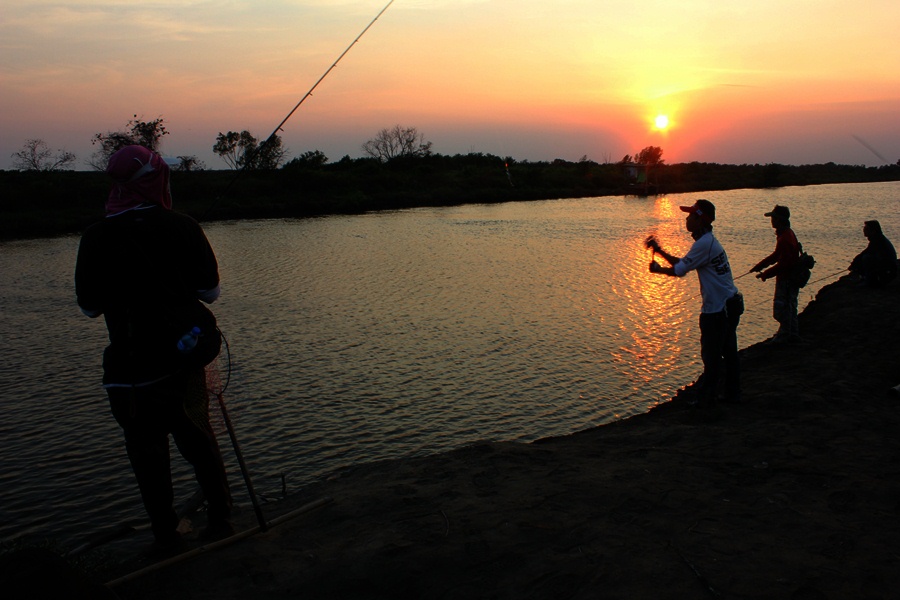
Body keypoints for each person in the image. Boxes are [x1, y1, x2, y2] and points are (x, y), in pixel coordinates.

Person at [75, 145, 233, 551]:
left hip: (127, 374)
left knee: (147, 458)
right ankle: (222, 521)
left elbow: (90, 309)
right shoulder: (182, 227)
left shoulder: (94, 236)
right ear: (155, 178)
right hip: (180, 366)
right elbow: (210, 294)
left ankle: (165, 533)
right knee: (199, 440)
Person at [645, 199, 743, 411]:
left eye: (690, 216)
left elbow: (680, 269)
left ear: (700, 220)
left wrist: (659, 269)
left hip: (718, 310)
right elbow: (685, 262)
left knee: (712, 356)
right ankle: (732, 394)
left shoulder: (704, 244)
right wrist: (660, 251)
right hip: (729, 304)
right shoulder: (707, 242)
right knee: (729, 352)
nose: (686, 219)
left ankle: (707, 400)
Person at [751, 205, 801, 343]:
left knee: (781, 308)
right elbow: (776, 256)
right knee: (790, 306)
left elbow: (784, 263)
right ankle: (791, 333)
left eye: (773, 217)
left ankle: (786, 335)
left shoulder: (785, 238)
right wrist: (760, 266)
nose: (771, 220)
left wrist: (766, 274)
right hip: (789, 278)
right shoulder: (786, 234)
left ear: (779, 220)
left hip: (787, 279)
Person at [849, 220, 897, 287]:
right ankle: (866, 278)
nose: (864, 230)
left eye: (866, 229)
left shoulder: (878, 241)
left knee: (866, 258)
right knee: (863, 258)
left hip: (888, 269)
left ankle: (869, 281)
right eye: (864, 228)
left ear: (873, 231)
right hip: (885, 265)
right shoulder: (876, 239)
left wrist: (855, 262)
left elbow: (867, 253)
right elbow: (866, 251)